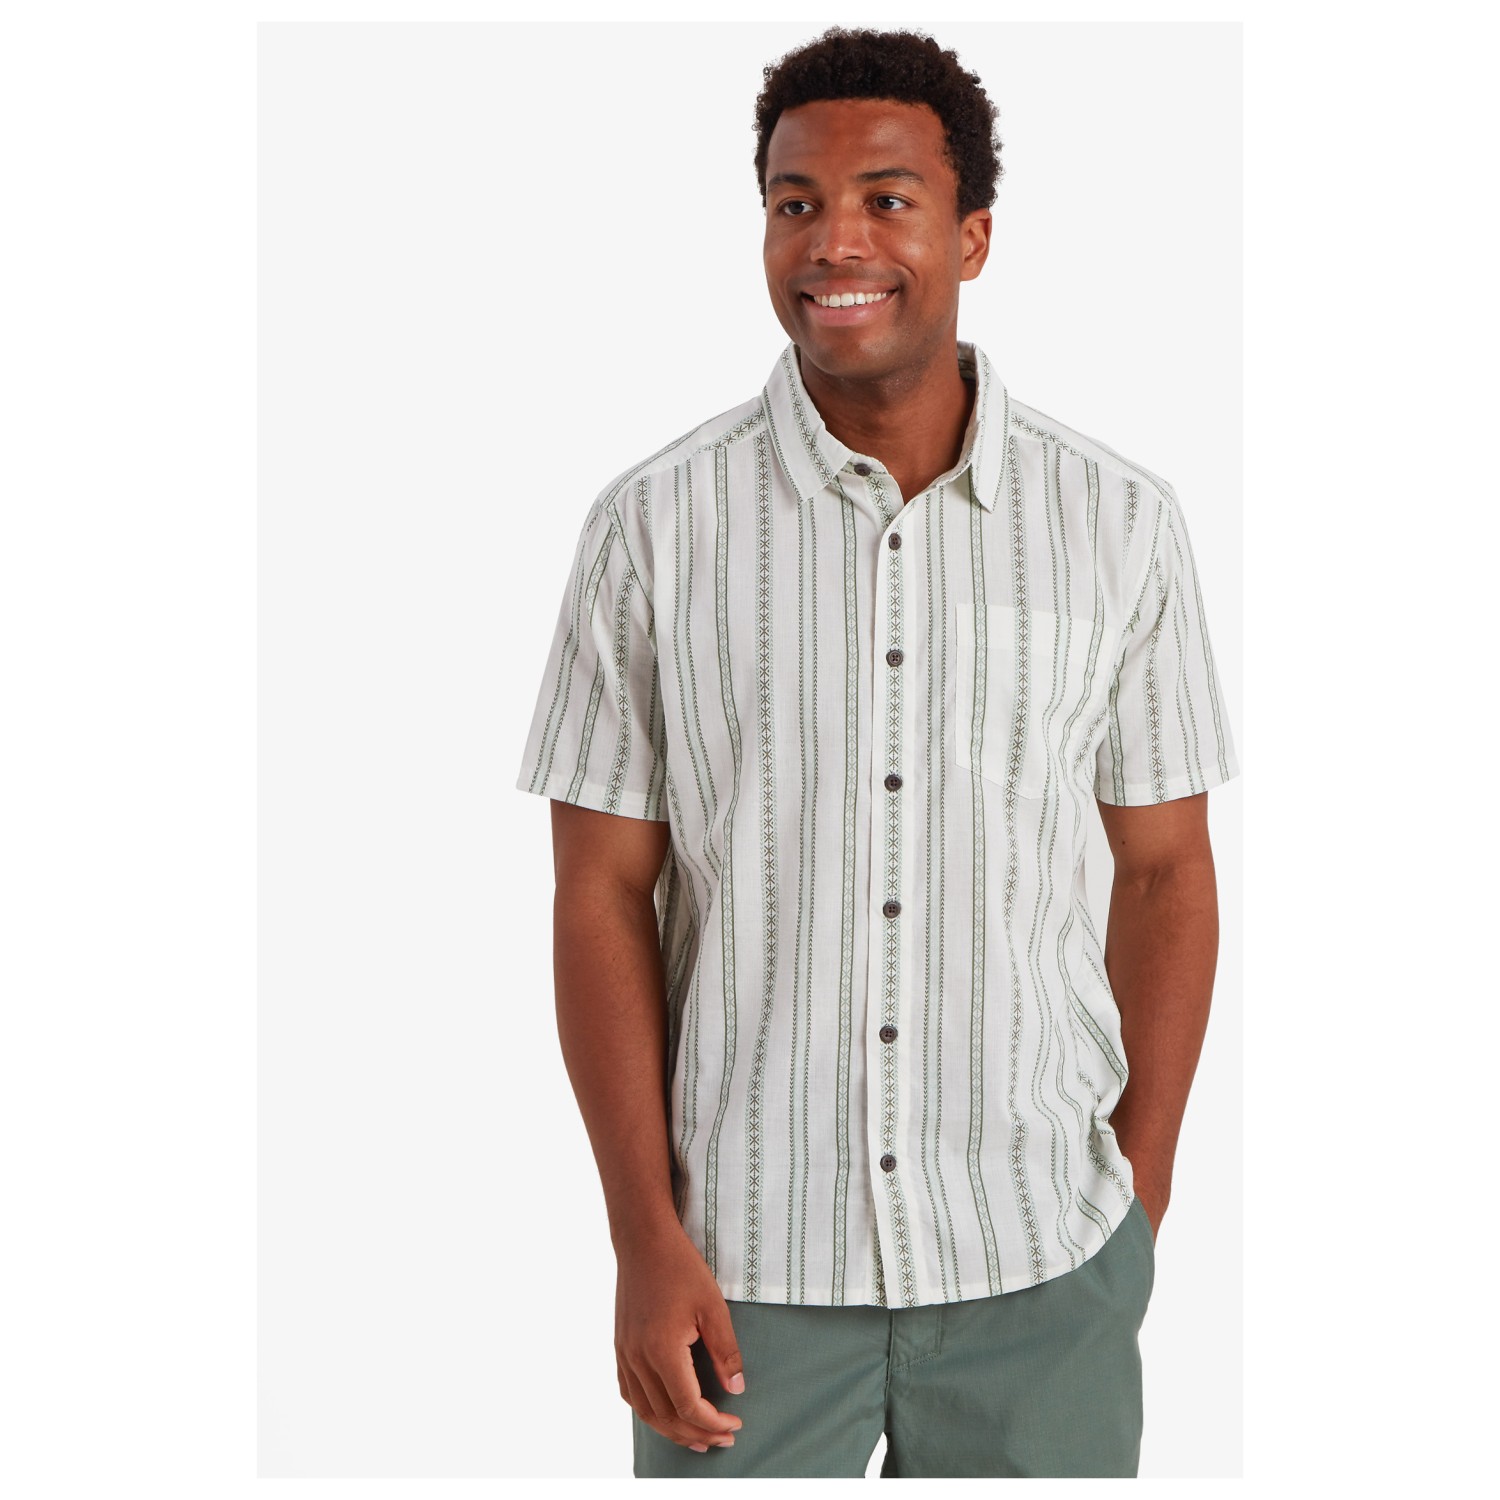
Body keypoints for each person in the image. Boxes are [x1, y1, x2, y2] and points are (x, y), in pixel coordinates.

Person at [514, 26, 1239, 1479]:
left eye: (887, 199)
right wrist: (643, 1237)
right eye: (795, 203)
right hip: (740, 1270)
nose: (834, 241)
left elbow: (1166, 872)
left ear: (973, 235)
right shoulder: (652, 530)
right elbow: (599, 892)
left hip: (1042, 1259)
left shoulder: (1119, 524)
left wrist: (1139, 1196)